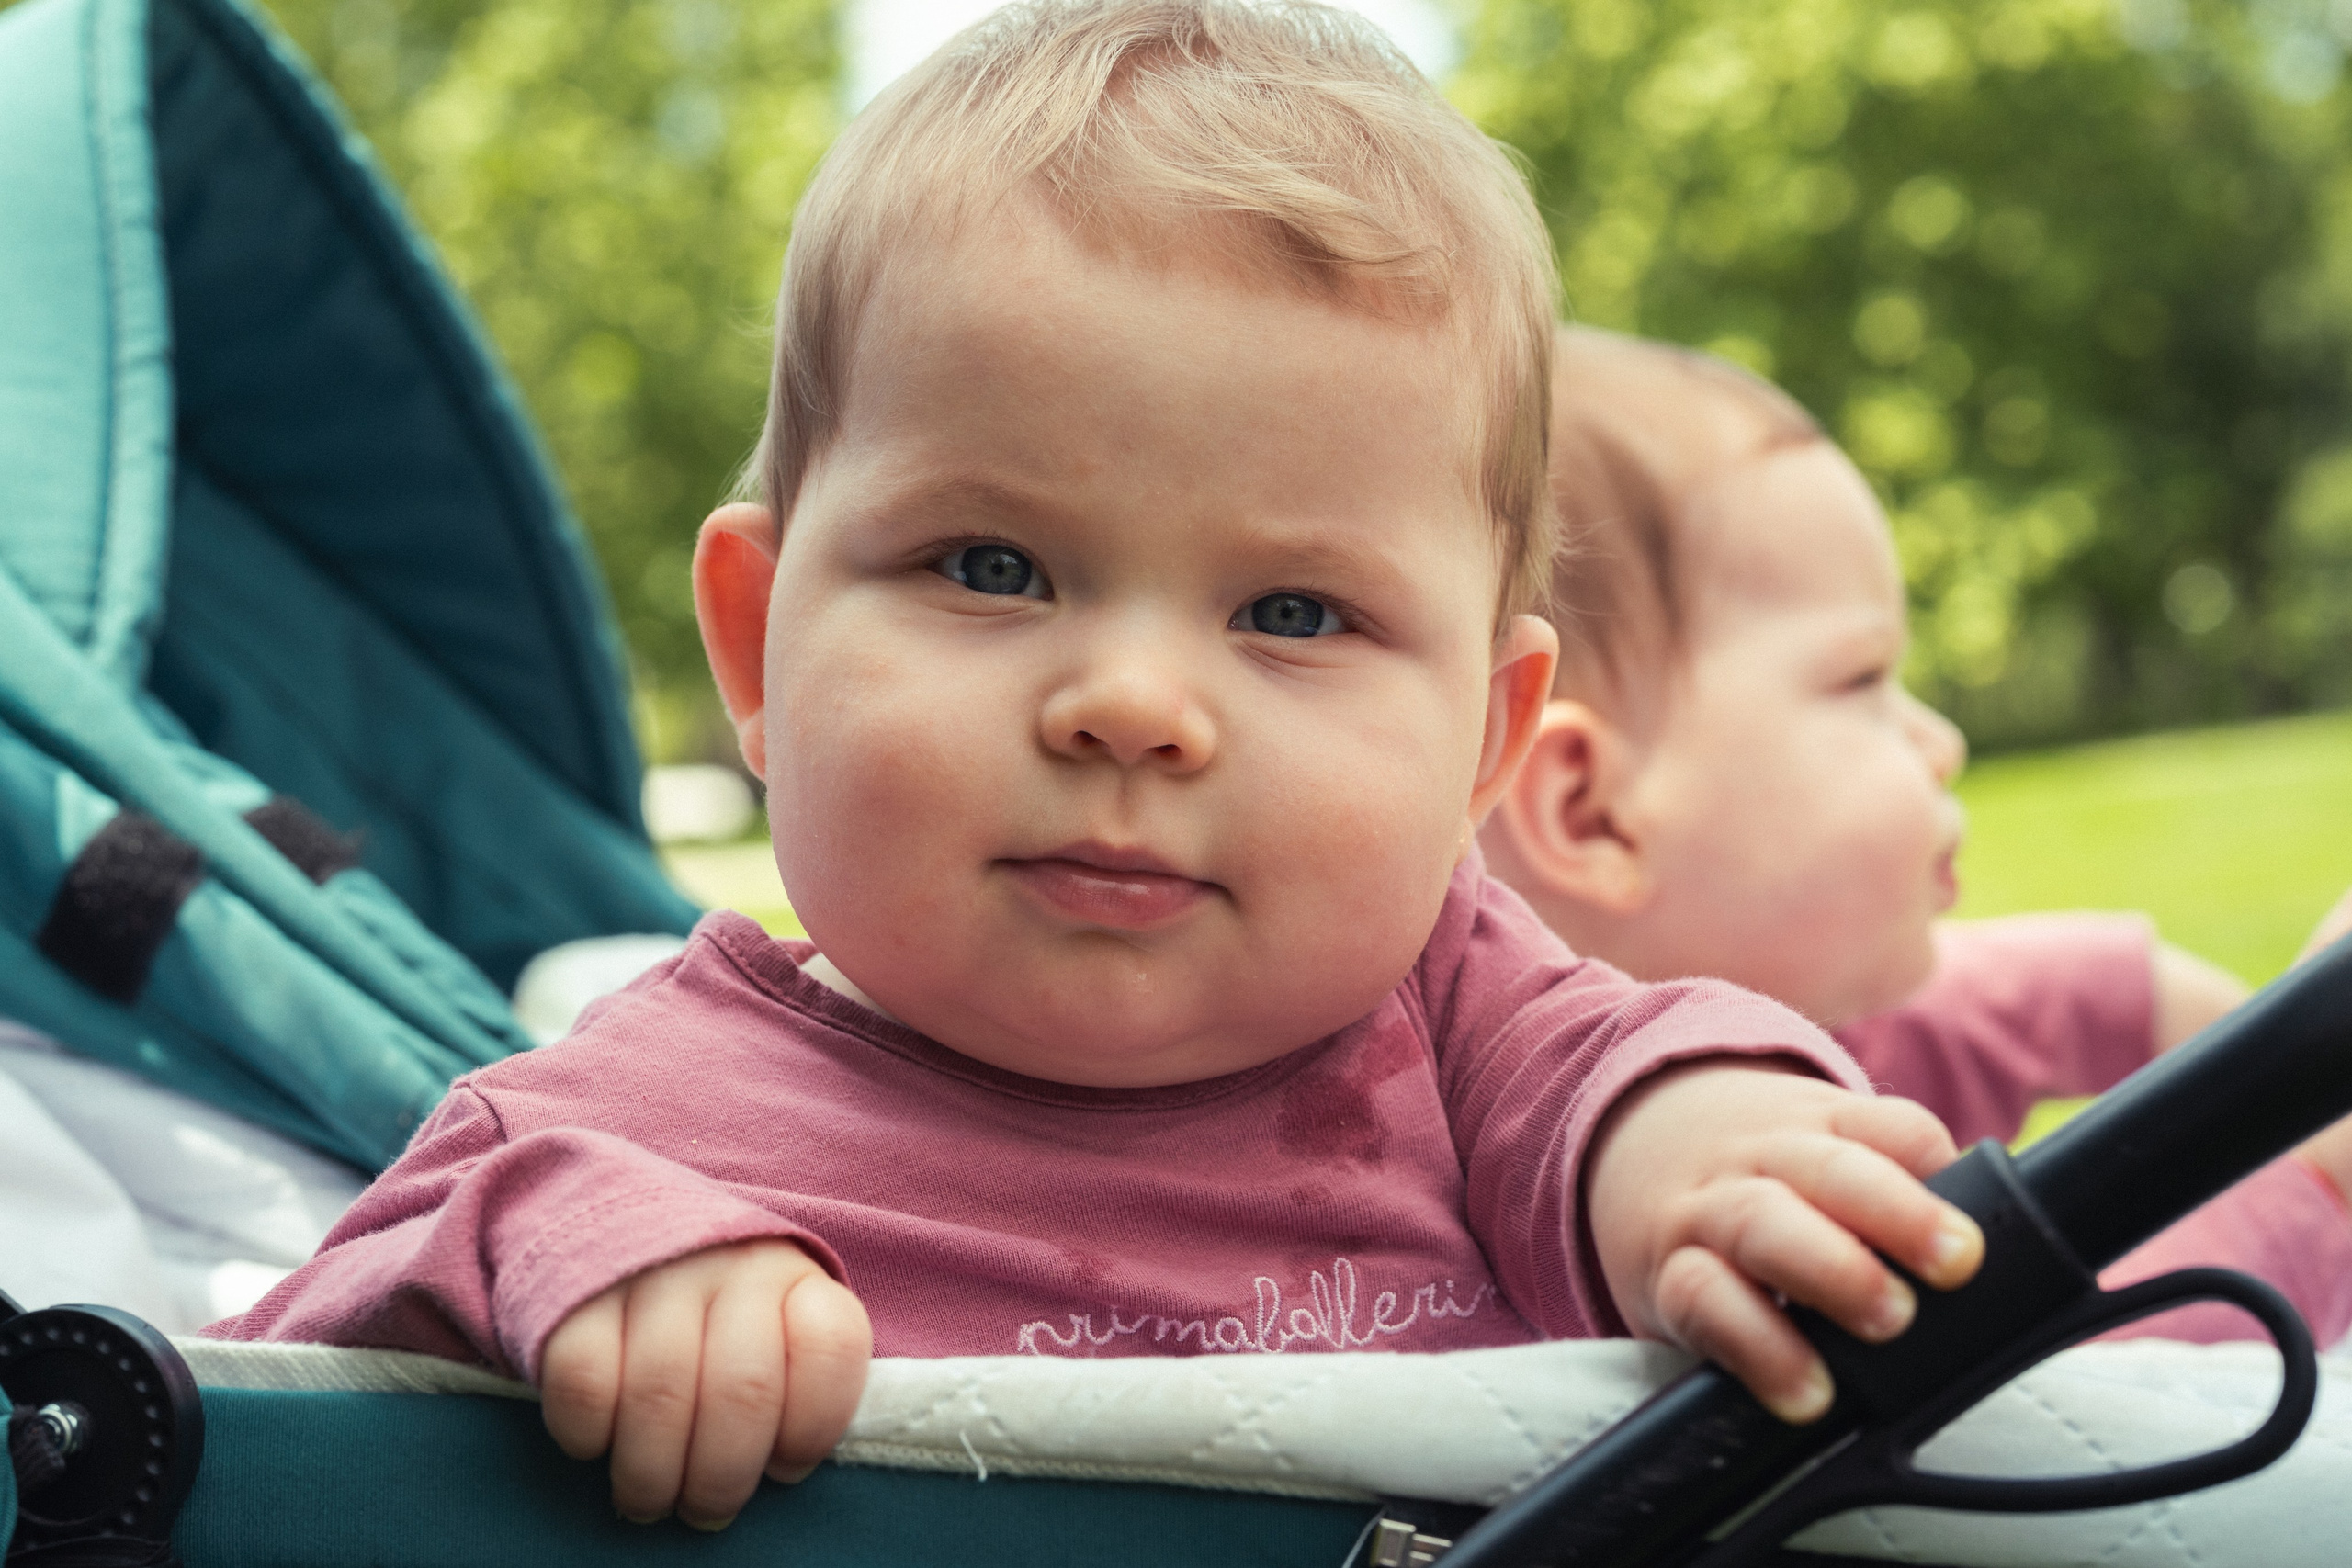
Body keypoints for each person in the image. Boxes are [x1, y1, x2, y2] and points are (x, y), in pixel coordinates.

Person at [212, 0, 1989, 1533]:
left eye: (1293, 610)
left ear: (1482, 743)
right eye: (992, 567)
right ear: (757, 644)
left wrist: (1727, 1160)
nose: (1132, 705)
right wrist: (570, 1249)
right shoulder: (615, 1125)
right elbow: (244, 1429)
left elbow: (1628, 1073)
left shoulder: (1458, 1022)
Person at [1478, 324, 2352, 1345]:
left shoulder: (1840, 1011)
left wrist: (2279, 1054)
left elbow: (2083, 991)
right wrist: (2319, 1183)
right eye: (1861, 680)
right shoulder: (1600, 1192)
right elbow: (2012, 1400)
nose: (1940, 740)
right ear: (1592, 813)